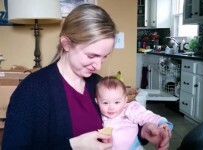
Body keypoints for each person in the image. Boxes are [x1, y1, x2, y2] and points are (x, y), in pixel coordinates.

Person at [2, 4, 171, 150]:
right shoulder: (31, 91)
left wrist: (143, 133)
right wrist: (74, 146)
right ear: (66, 44)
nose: (98, 66)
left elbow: (117, 124)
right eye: (91, 56)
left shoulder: (96, 83)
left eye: (104, 56)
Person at [95, 76, 173, 150]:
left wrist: (161, 122)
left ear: (125, 100)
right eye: (105, 103)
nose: (111, 107)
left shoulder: (130, 109)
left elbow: (145, 115)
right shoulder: (99, 115)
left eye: (117, 102)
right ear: (97, 101)